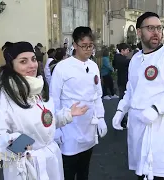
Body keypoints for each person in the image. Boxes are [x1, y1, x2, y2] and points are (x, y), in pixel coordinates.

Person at [0, 41, 88, 180]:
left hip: (51, 162)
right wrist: (19, 144)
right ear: (11, 65)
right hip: (26, 166)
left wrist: (67, 115)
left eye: (33, 59)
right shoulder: (1, 95)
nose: (32, 65)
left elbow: (43, 123)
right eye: (23, 61)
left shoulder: (38, 87)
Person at [112, 12, 164, 180]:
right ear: (139, 32)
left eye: (158, 28)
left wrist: (157, 108)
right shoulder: (135, 59)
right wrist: (121, 110)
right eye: (150, 28)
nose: (156, 32)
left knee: (157, 173)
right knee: (141, 172)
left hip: (159, 126)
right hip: (137, 124)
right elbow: (131, 89)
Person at [51, 27, 108, 180]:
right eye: (84, 46)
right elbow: (54, 98)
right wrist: (56, 128)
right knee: (68, 171)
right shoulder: (62, 67)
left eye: (91, 45)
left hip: (88, 125)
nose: (88, 49)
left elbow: (97, 95)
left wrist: (101, 118)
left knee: (84, 171)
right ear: (75, 45)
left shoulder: (94, 66)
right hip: (69, 127)